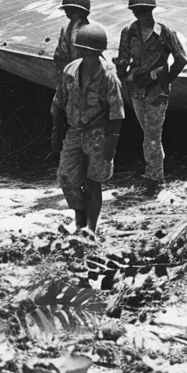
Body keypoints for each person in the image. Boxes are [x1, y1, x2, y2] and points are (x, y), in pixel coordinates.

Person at [50, 22, 125, 237]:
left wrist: (111, 145)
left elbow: (117, 114)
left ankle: (90, 228)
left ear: (97, 52)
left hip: (98, 134)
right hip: (74, 132)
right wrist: (57, 131)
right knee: (67, 179)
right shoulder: (70, 71)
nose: (82, 53)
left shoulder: (108, 76)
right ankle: (80, 221)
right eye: (81, 49)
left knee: (93, 182)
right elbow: (58, 102)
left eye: (87, 50)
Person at [115, 0, 187, 196]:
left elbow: (181, 59)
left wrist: (163, 81)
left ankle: (154, 180)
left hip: (157, 92)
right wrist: (122, 73)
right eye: (136, 11)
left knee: (152, 137)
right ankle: (156, 173)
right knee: (148, 134)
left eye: (144, 10)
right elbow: (123, 59)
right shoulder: (128, 32)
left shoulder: (165, 32)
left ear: (151, 10)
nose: (140, 14)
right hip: (137, 90)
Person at [53, 0, 91, 75]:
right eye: (67, 10)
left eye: (73, 11)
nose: (68, 13)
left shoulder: (88, 30)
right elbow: (60, 52)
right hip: (68, 70)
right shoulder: (65, 28)